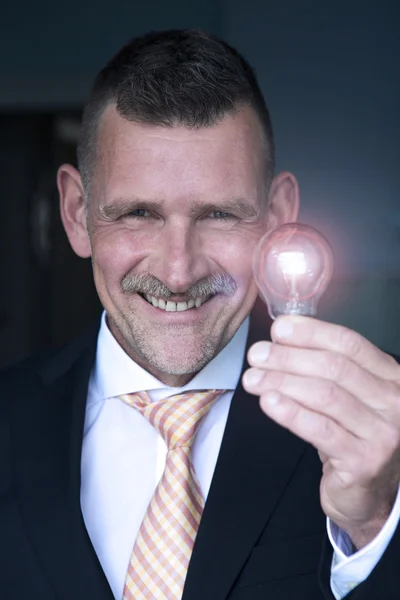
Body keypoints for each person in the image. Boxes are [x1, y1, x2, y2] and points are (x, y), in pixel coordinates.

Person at [1, 28, 400, 600]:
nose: (178, 270)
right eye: (138, 213)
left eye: (218, 214)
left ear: (279, 213)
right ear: (76, 212)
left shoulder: (382, 421)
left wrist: (375, 523)